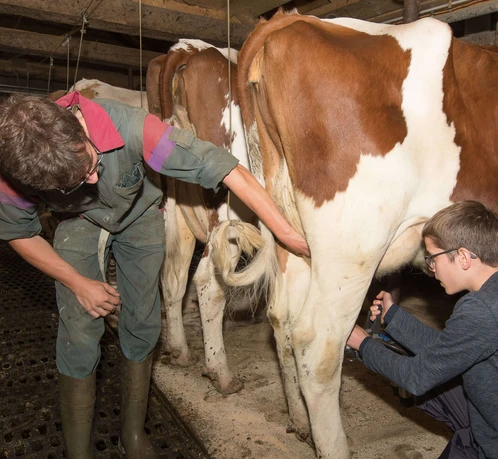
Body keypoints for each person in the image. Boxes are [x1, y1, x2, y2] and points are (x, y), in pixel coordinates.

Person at [0, 92, 309, 459]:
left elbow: (221, 167)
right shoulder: (14, 176)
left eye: (93, 162)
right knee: (79, 332)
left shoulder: (134, 129)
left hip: (139, 213)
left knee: (144, 319)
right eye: (77, 181)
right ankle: (78, 453)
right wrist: (77, 283)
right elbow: (21, 232)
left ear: (78, 126)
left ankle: (132, 435)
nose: (95, 177)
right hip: (76, 222)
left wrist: (286, 233)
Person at [347, 201, 498, 459]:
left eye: (432, 258)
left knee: (430, 382)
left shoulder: (481, 308)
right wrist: (394, 317)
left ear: (463, 257)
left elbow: (417, 377)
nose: (431, 268)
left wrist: (362, 344)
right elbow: (451, 350)